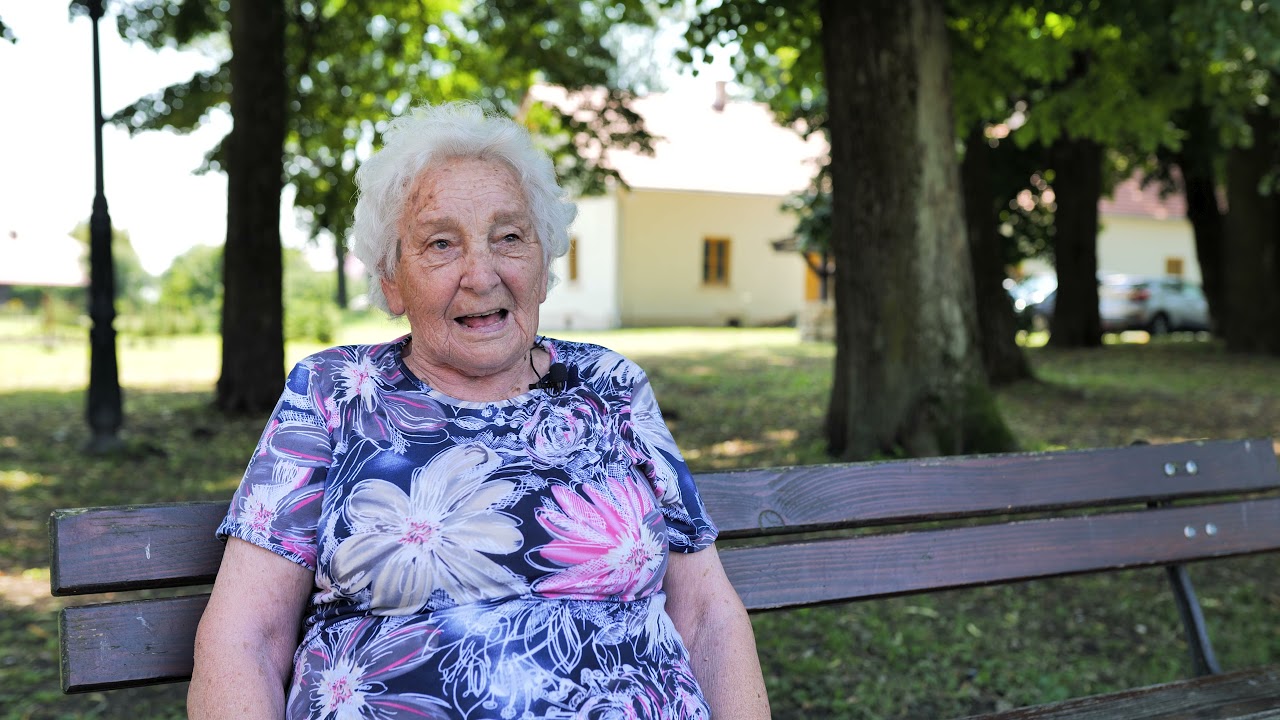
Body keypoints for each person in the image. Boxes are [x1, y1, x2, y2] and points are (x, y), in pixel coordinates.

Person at [188, 101, 771, 719]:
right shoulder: (333, 392)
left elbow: (707, 616)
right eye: (441, 244)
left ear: (543, 264)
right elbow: (246, 638)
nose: (481, 274)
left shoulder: (610, 385)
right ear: (391, 279)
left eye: (509, 237)